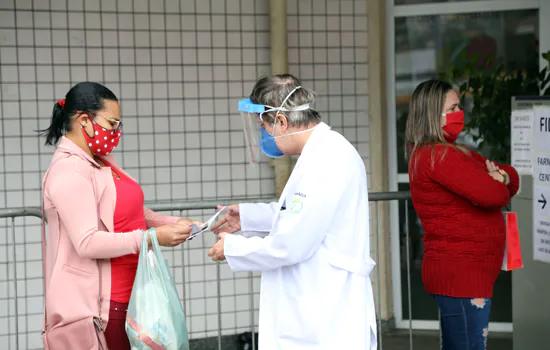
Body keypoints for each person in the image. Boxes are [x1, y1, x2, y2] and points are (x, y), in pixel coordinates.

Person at [208, 74, 377, 349]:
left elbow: (292, 243)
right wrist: (249, 216)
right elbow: (300, 213)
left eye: (265, 127)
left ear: (282, 122)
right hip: (318, 310)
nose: (265, 136)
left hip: (327, 316)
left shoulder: (326, 160)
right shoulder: (322, 152)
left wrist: (233, 248)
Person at [40, 82, 198, 350]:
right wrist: (151, 238)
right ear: (84, 121)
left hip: (132, 297)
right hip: (103, 308)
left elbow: (132, 211)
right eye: (112, 124)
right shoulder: (69, 171)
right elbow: (88, 242)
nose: (116, 133)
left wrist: (172, 224)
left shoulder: (101, 160)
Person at [405, 79, 519, 350]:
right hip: (461, 278)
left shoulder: (455, 152)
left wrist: (499, 176)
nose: (460, 113)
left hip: (464, 276)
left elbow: (510, 177)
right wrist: (496, 181)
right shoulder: (439, 156)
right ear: (433, 114)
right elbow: (495, 195)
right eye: (454, 107)